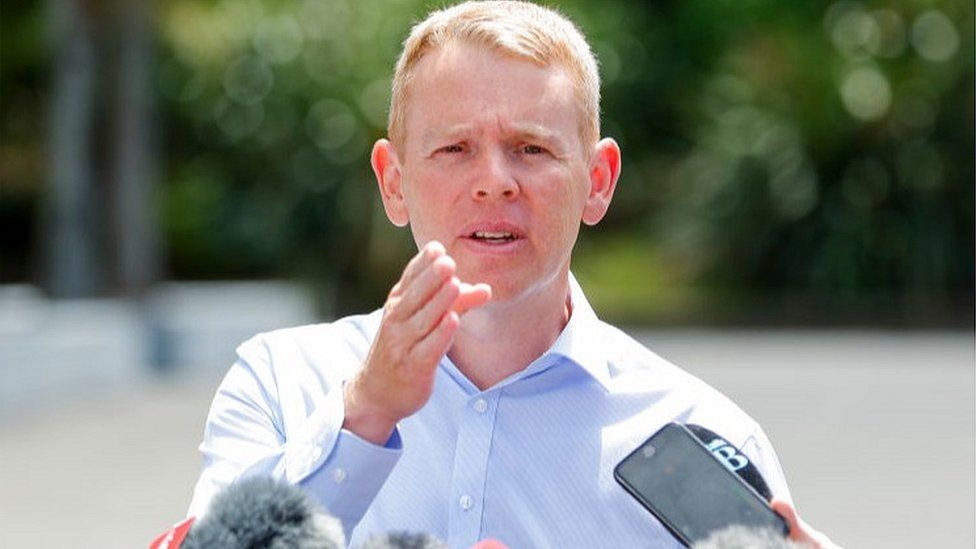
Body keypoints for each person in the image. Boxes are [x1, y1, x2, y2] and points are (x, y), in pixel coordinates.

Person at [188, 2, 839, 547]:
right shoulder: (279, 383)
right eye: (455, 149)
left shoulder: (702, 433)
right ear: (393, 182)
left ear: (599, 182)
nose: (494, 183)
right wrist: (364, 412)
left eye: (531, 148)